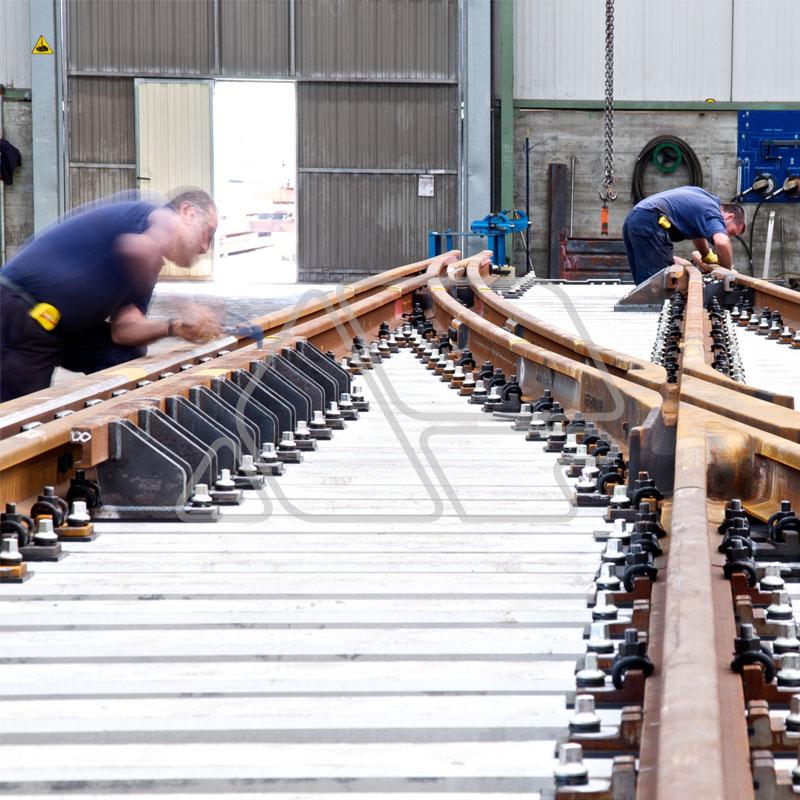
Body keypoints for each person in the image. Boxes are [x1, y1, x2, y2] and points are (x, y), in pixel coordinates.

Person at [0, 189, 221, 402]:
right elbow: (137, 248)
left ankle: (98, 416)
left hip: (63, 329)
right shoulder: (156, 216)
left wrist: (174, 327)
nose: (205, 247)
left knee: (126, 353)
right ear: (188, 212)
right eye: (208, 234)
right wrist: (184, 305)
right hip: (21, 312)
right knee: (17, 416)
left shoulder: (150, 263)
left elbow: (123, 330)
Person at [622, 186, 745, 284]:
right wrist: (727, 271)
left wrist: (706, 255)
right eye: (731, 232)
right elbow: (722, 242)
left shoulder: (704, 200)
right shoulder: (713, 212)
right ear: (729, 217)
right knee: (656, 284)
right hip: (649, 221)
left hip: (635, 218)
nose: (728, 236)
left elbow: (697, 234)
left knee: (644, 282)